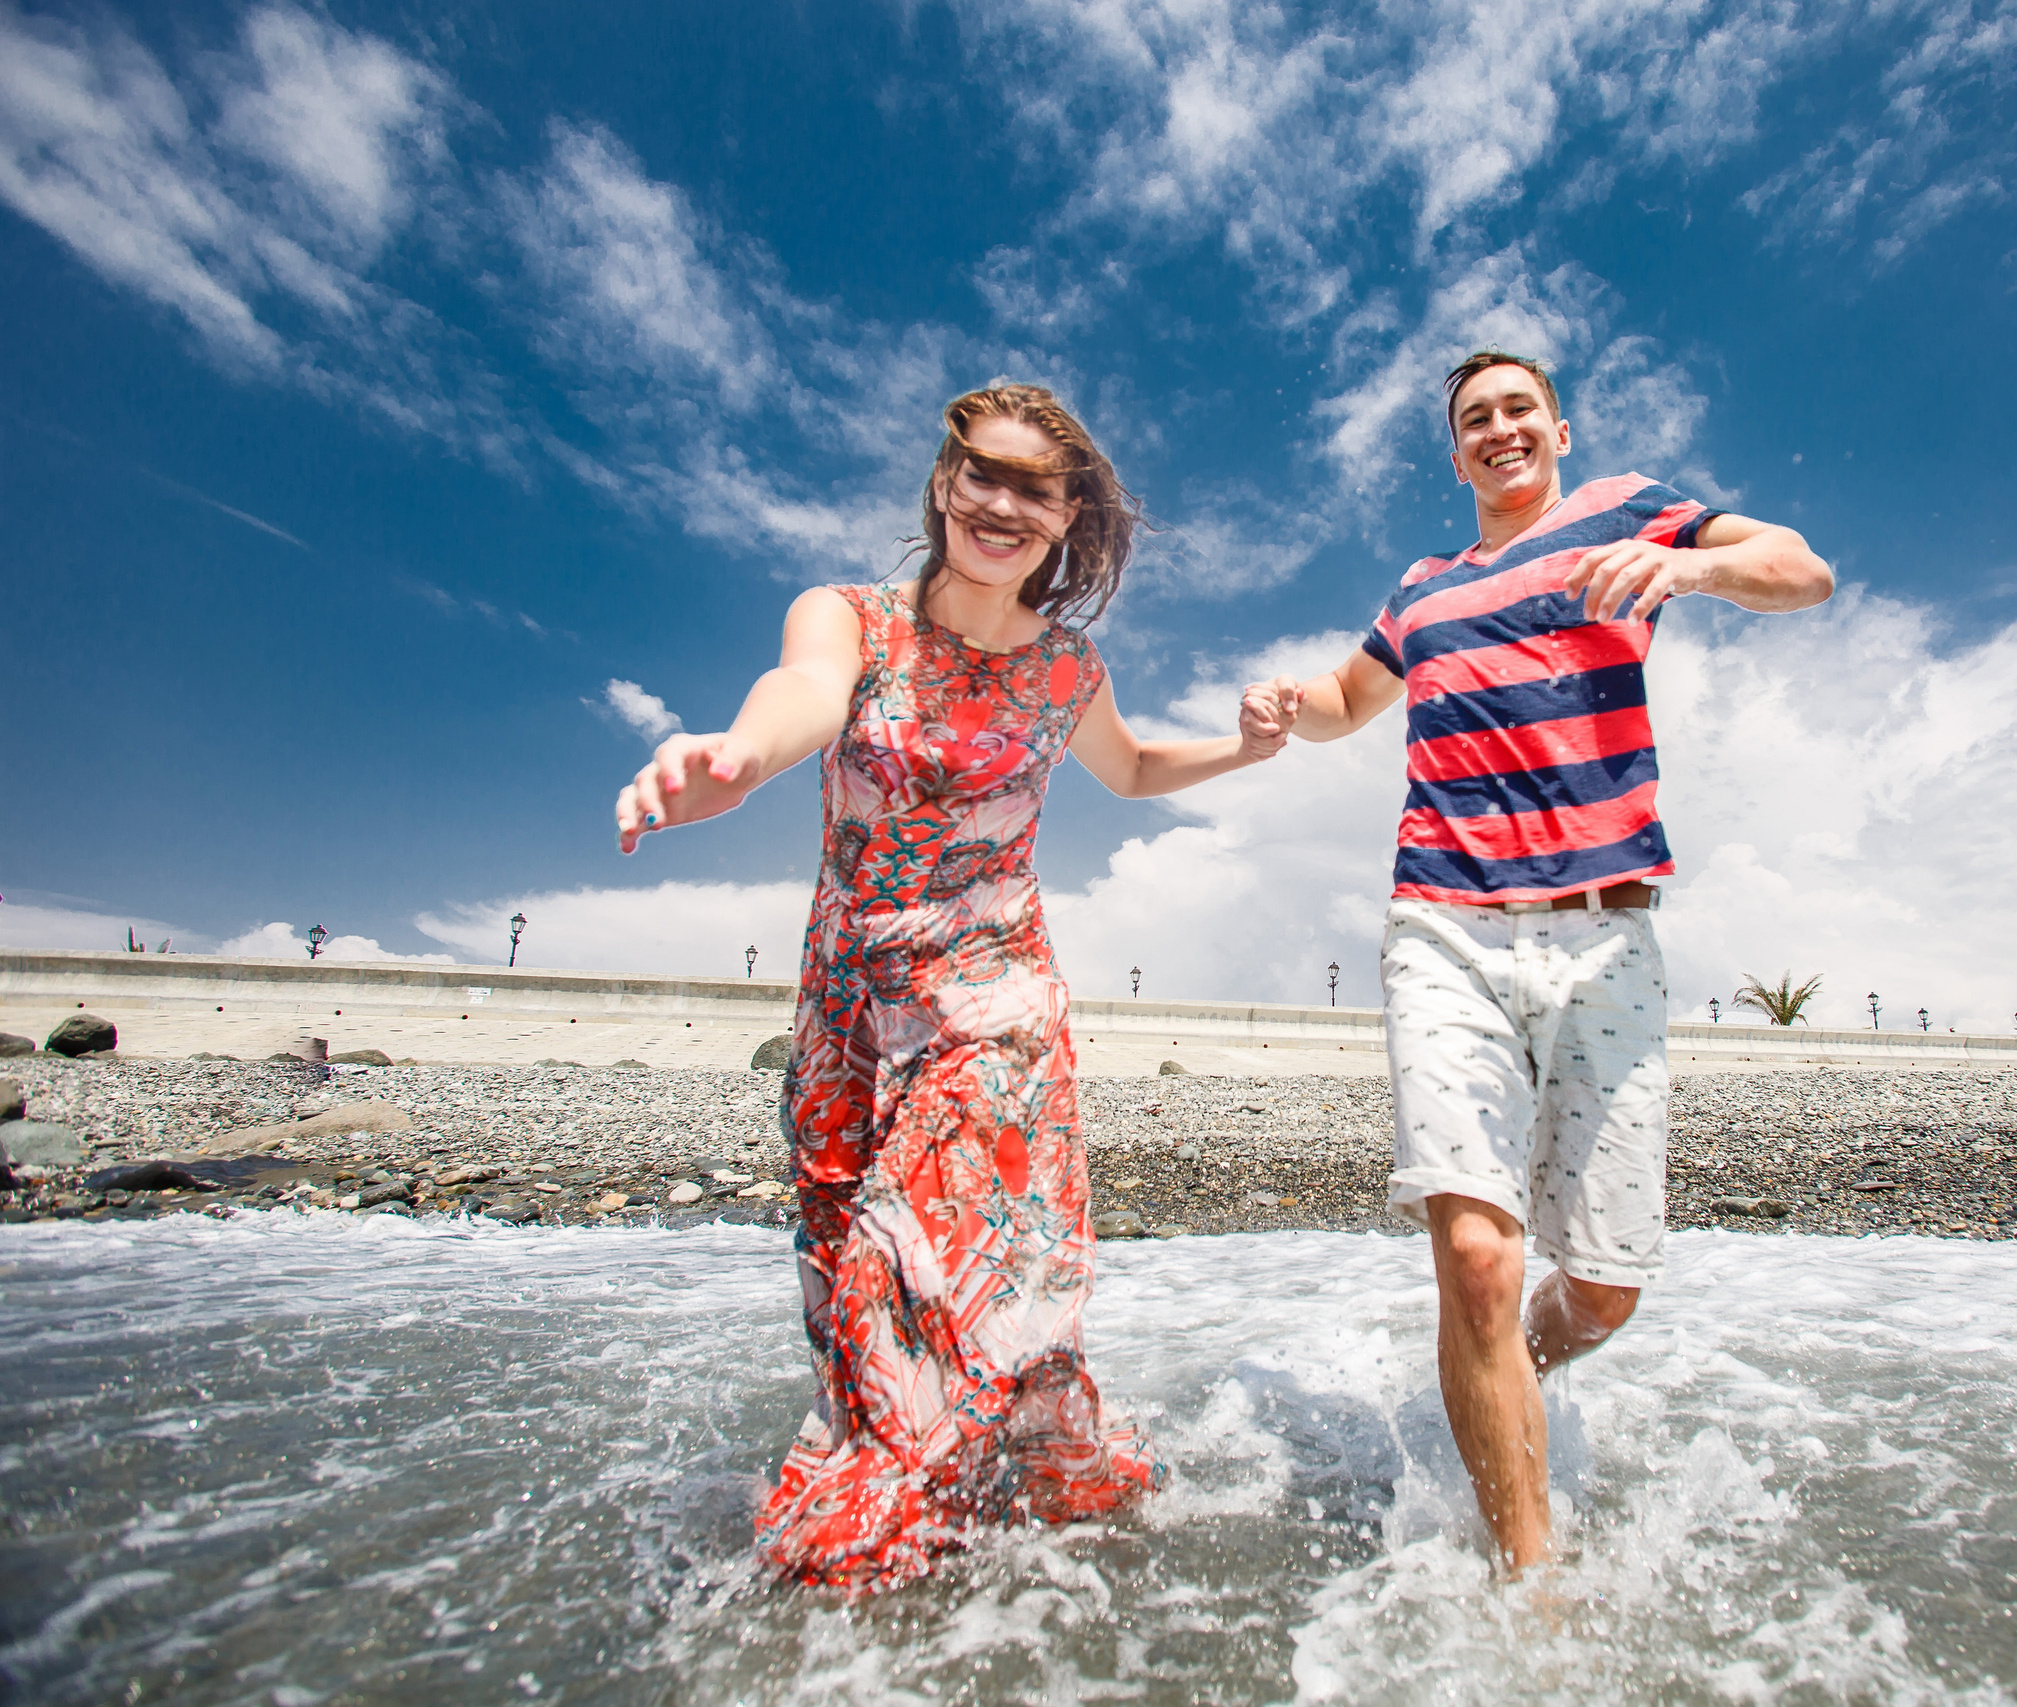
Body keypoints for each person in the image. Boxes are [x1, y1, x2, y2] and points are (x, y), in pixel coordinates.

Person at [614, 381, 1282, 1592]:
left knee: (910, 1254)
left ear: (1069, 519)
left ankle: (873, 1542)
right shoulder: (851, 619)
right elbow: (799, 703)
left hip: (992, 999)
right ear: (943, 480)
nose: (1003, 506)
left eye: (1038, 489)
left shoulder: (1069, 668)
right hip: (852, 1001)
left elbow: (1128, 769)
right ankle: (986, 1499)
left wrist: (1247, 744)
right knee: (838, 1251)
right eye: (986, 473)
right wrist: (731, 764)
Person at [1242, 349, 1832, 1576]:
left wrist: (1690, 564)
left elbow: (1802, 570)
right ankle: (1533, 1592)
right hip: (1443, 924)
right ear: (1454, 453)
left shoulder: (1627, 512)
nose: (1498, 429)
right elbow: (1351, 700)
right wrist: (1285, 706)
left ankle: (1485, 1364)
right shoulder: (1421, 587)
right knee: (1474, 1257)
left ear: (1556, 428)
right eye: (1474, 420)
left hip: (1605, 930)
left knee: (1604, 1289)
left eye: (1518, 409)